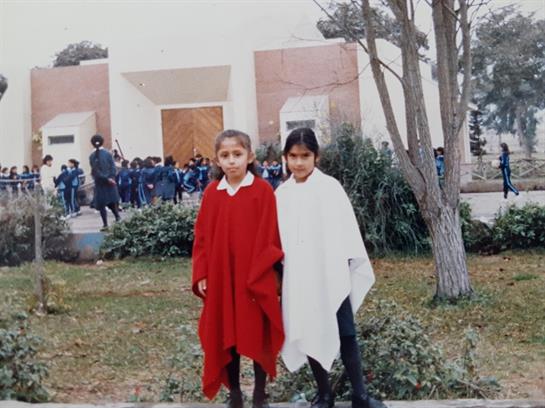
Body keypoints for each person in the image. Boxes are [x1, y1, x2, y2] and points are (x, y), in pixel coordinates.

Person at [275, 128, 384, 408]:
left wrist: (340, 266)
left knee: (345, 332)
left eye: (305, 156)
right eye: (293, 156)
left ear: (316, 157)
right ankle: (324, 393)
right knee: (309, 327)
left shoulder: (329, 188)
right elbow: (278, 237)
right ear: (285, 158)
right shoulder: (281, 195)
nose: (299, 163)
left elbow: (345, 230)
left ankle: (360, 395)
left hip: (330, 273)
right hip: (299, 277)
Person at [191, 129, 284, 407]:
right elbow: (203, 237)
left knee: (254, 331)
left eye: (237, 154)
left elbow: (270, 235)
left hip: (253, 277)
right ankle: (234, 393)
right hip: (222, 276)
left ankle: (258, 393)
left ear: (249, 156)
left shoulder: (262, 191)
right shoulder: (212, 193)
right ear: (217, 160)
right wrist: (203, 272)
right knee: (225, 332)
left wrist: (268, 272)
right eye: (225, 155)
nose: (232, 161)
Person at [89, 134, 121, 229]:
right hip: (110, 183)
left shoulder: (92, 156)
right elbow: (113, 167)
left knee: (102, 204)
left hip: (100, 183)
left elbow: (95, 171)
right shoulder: (108, 154)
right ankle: (117, 217)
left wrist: (106, 178)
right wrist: (111, 178)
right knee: (112, 202)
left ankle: (105, 224)